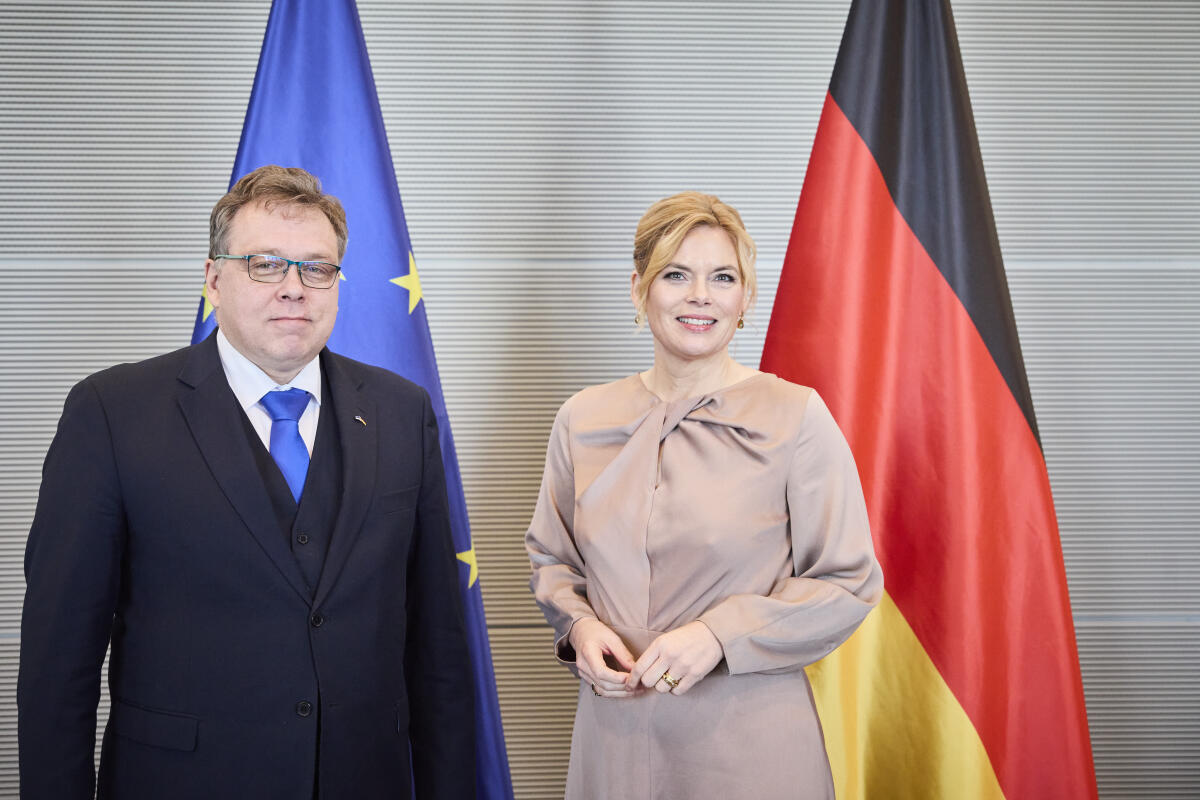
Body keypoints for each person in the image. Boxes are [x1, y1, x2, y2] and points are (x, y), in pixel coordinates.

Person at [18, 165, 475, 799]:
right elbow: (57, 660)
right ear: (213, 278)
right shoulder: (112, 412)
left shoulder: (403, 411)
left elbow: (439, 649)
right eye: (266, 264)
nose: (295, 289)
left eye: (317, 268)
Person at [525, 191, 883, 799]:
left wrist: (719, 635)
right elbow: (554, 561)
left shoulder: (796, 416)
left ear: (746, 298)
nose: (700, 295)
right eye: (675, 275)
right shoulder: (581, 418)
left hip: (748, 744)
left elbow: (847, 581)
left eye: (722, 277)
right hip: (613, 739)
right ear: (639, 289)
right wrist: (580, 630)